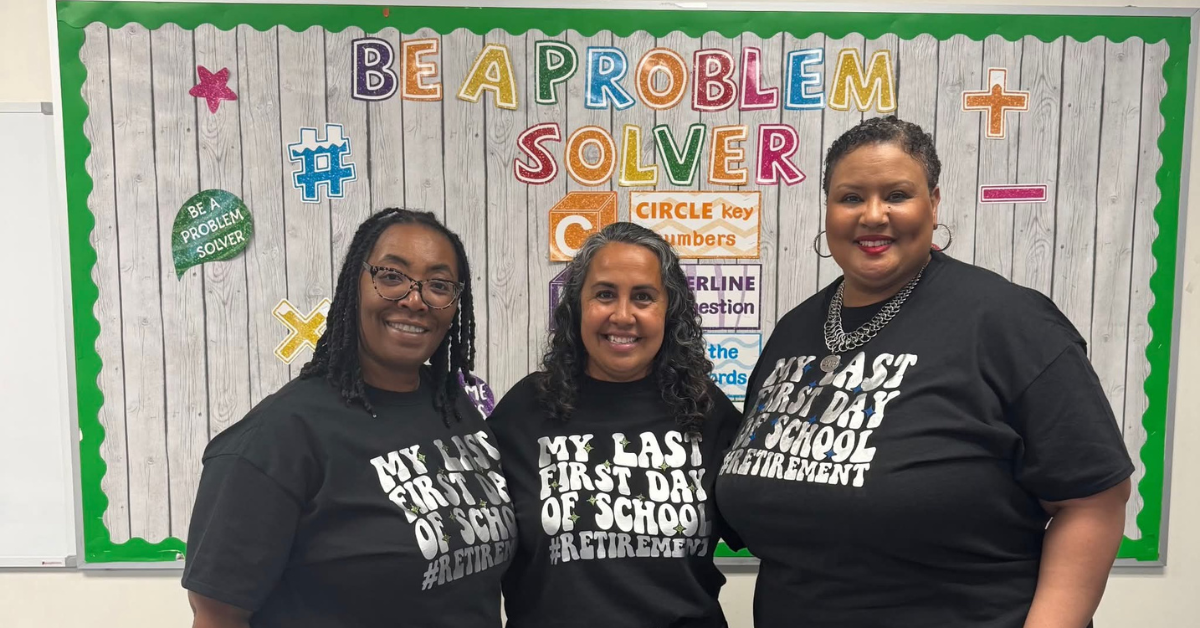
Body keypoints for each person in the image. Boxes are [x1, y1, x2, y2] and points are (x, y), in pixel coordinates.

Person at [715, 116, 1133, 628]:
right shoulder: (794, 333)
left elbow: (1094, 499)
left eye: (897, 194)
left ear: (933, 204)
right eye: (850, 198)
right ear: (827, 210)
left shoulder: (1010, 322)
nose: (873, 215)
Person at [182, 209, 514, 628]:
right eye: (391, 276)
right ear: (354, 286)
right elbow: (217, 618)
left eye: (438, 285)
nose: (415, 300)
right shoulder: (277, 438)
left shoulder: (455, 408)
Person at [488, 222, 742, 628]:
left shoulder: (705, 409)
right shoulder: (525, 410)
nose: (622, 316)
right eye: (605, 294)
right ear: (577, 307)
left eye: (643, 297)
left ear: (668, 311)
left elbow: (768, 524)